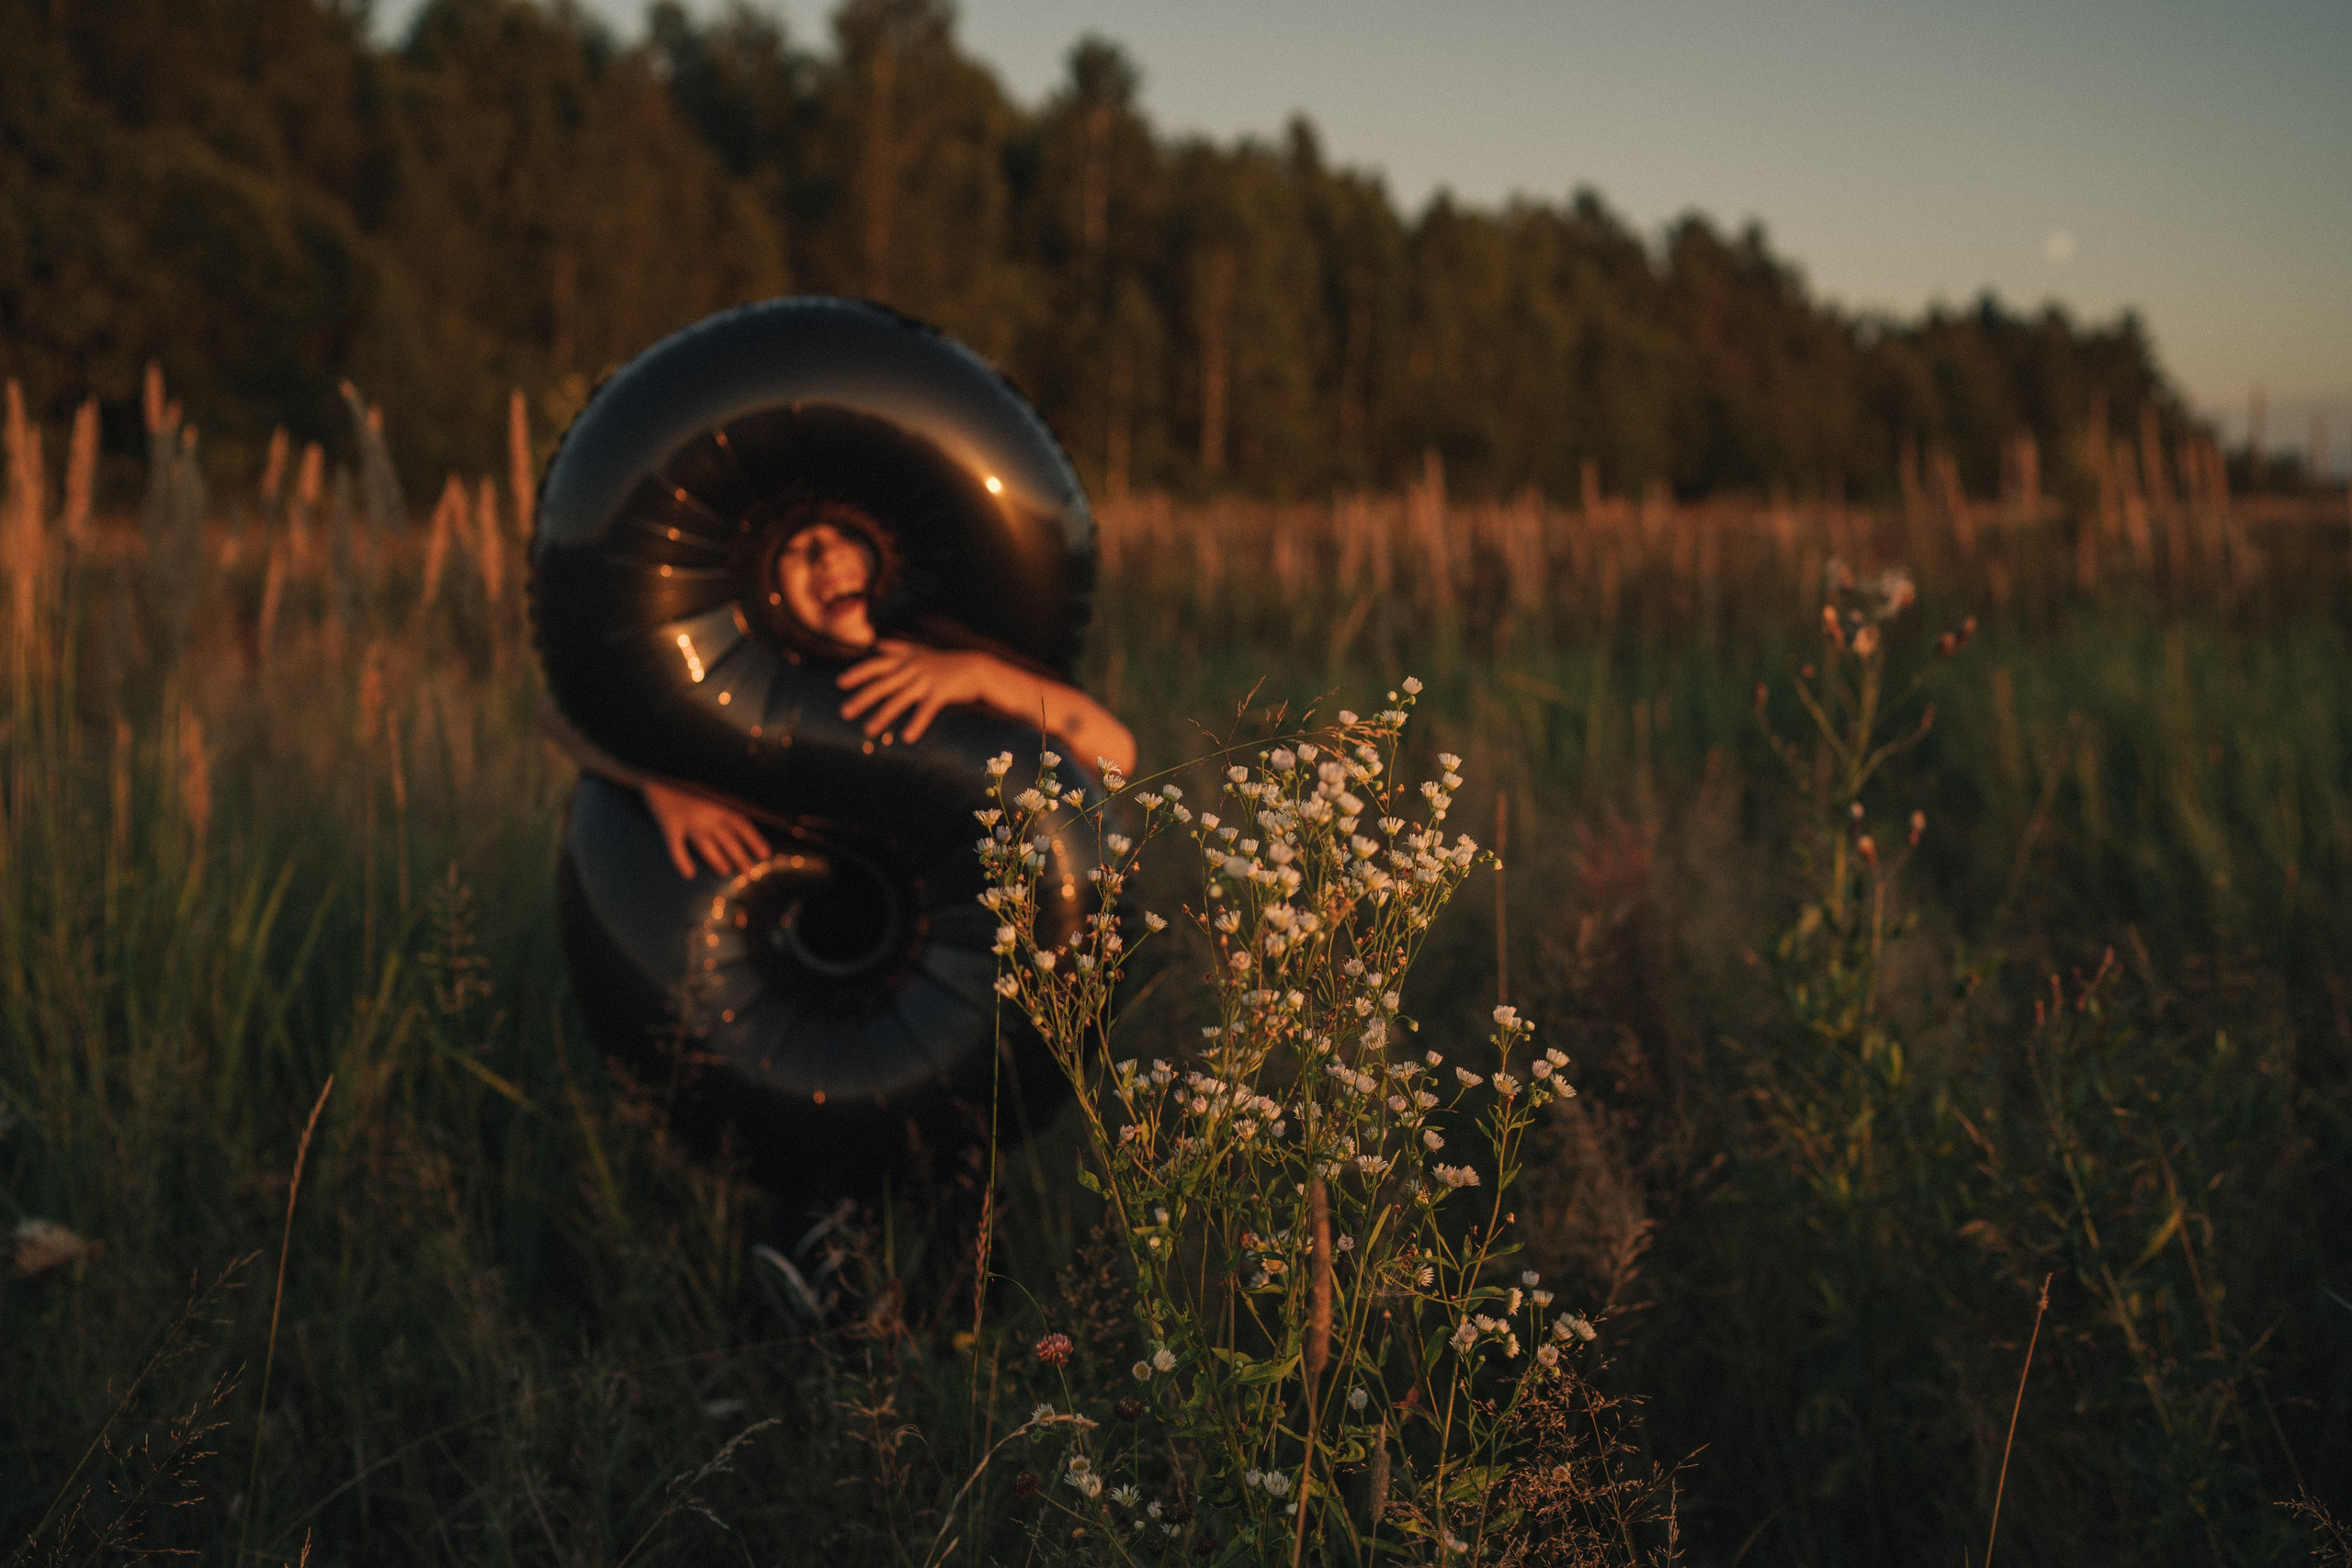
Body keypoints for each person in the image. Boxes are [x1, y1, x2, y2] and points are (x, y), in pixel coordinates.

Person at [548, 503, 1136, 879]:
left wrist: (980, 675)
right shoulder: (754, 673)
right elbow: (559, 710)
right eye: (798, 549)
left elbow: (1117, 754)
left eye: (844, 536)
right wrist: (660, 782)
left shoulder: (935, 652)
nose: (827, 558)